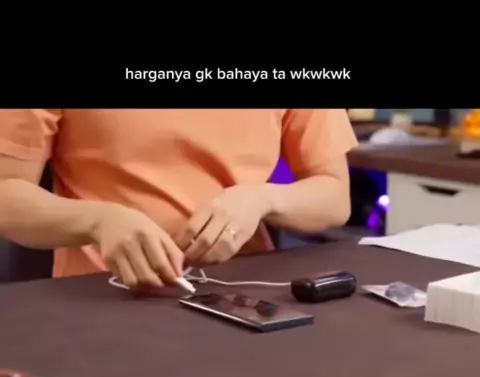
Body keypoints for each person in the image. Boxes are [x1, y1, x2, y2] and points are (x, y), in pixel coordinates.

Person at [0, 109, 357, 288]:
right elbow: (7, 191)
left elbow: (334, 195)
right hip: (103, 295)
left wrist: (264, 199)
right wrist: (99, 221)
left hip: (244, 299)